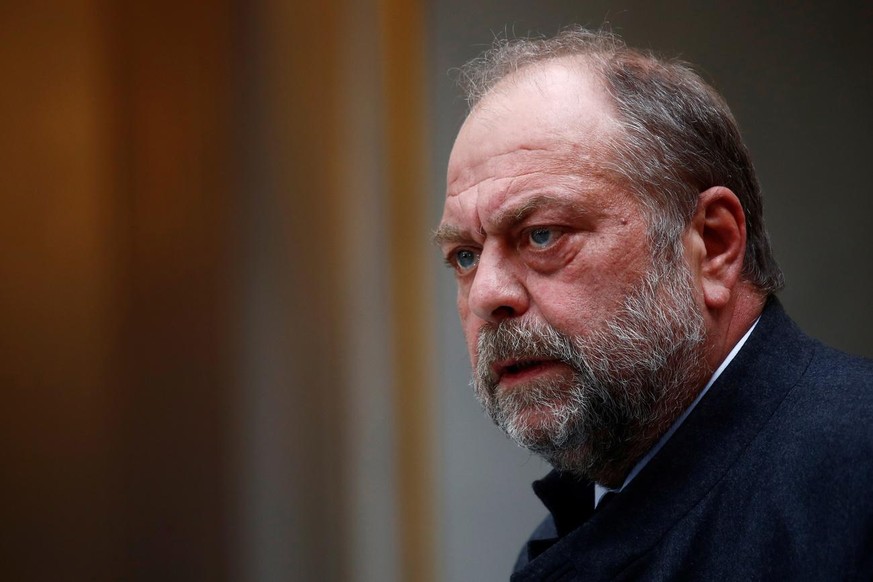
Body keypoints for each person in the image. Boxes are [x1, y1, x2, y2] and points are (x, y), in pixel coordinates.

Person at [434, 27, 873, 580]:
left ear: (712, 245)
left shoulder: (855, 481)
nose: (487, 295)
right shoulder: (573, 525)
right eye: (465, 256)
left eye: (542, 235)